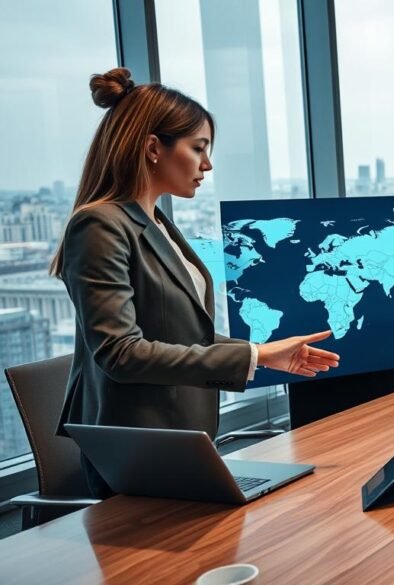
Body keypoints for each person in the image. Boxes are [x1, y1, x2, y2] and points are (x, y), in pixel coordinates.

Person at [53, 68, 340, 498]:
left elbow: (178, 331)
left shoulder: (155, 221)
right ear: (154, 147)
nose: (207, 164)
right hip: (138, 446)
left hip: (178, 438)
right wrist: (254, 355)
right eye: (198, 148)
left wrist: (262, 356)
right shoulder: (99, 224)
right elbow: (120, 352)